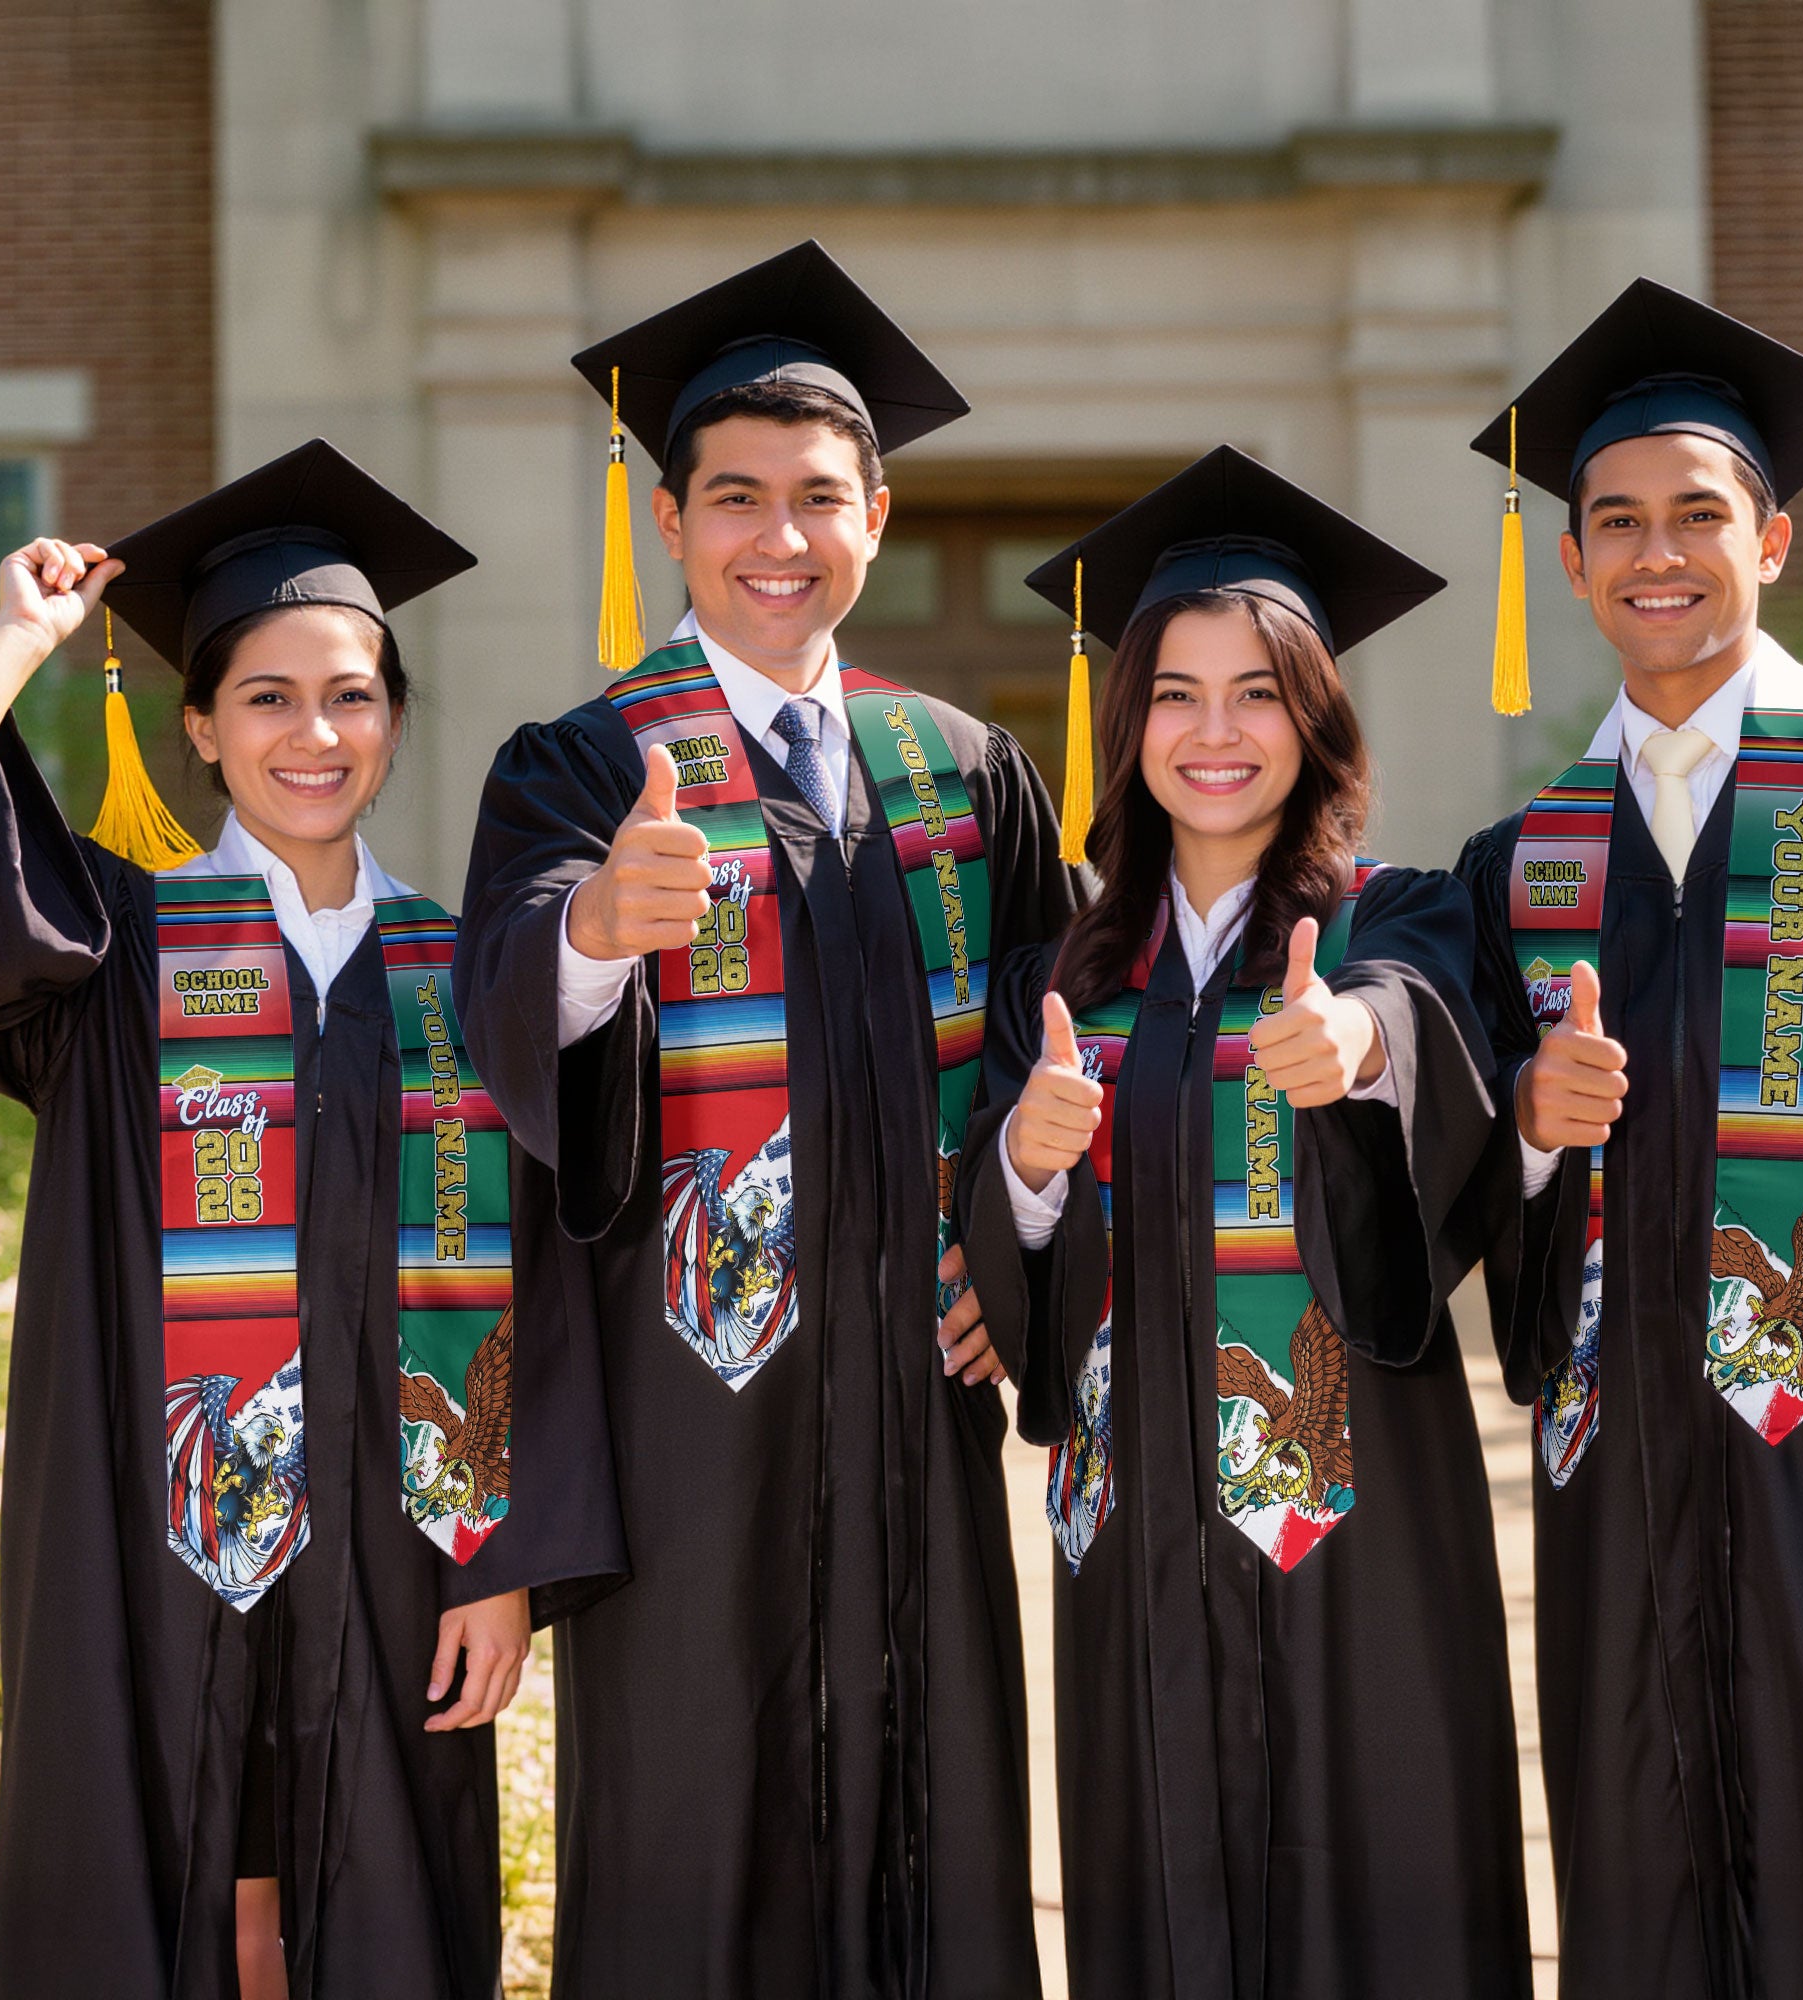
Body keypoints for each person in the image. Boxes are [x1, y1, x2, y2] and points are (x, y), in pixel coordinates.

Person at [456, 241, 1082, 1999]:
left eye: (820, 498)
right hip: (692, 1417)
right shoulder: (582, 764)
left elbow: (1069, 1044)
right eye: (736, 499)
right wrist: (594, 930)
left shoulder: (963, 766)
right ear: (671, 521)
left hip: (918, 1405)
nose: (779, 538)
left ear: (877, 514)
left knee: (936, 1817)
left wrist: (1016, 1251)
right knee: (695, 1837)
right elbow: (505, 1010)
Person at [0, 440, 610, 2000]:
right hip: (148, 1533)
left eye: (352, 695)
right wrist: (11, 648)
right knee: (158, 1866)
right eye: (266, 696)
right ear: (197, 723)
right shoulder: (117, 950)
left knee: (381, 1901)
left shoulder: (469, 971)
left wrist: (502, 1558)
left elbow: (550, 1281)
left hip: (401, 1546)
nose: (314, 734)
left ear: (393, 719)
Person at [957, 447, 1531, 1999]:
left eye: (1260, 692)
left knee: (1384, 1891)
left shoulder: (1399, 916)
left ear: (1318, 717)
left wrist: (1357, 1050)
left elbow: (1429, 1032)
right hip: (1133, 1527)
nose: (1217, 734)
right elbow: (1009, 1262)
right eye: (1176, 694)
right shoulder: (1058, 980)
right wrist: (1022, 1158)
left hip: (1359, 1529)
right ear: (1126, 720)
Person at [1458, 279, 1803, 1999]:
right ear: (1576, 561)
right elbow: (1461, 1174)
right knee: (1641, 1883)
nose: (1654, 553)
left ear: (1775, 536)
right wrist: (1525, 1130)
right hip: (1621, 1480)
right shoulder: (1525, 857)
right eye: (1615, 522)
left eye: (1697, 515)